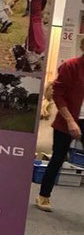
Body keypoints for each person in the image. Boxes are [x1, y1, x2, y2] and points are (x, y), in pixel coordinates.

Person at [35, 45, 84, 212]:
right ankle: (43, 196)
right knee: (58, 158)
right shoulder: (71, 66)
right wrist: (70, 121)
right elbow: (58, 94)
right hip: (68, 119)